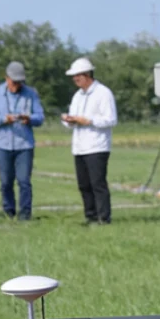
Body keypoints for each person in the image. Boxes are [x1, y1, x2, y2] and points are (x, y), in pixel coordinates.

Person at [0, 61, 44, 220]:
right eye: (14, 82)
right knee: (6, 182)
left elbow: (40, 117)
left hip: (24, 145)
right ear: (6, 78)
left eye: (20, 82)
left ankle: (25, 215)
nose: (16, 85)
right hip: (3, 145)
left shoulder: (30, 93)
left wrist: (29, 119)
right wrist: (4, 119)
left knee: (24, 181)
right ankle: (8, 212)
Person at [61, 57, 118, 224]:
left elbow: (110, 119)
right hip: (79, 146)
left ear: (87, 75)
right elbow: (72, 121)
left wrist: (89, 120)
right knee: (84, 185)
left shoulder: (103, 93)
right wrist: (68, 120)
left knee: (97, 184)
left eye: (77, 76)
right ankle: (90, 216)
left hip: (97, 146)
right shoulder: (77, 96)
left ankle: (104, 217)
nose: (75, 79)